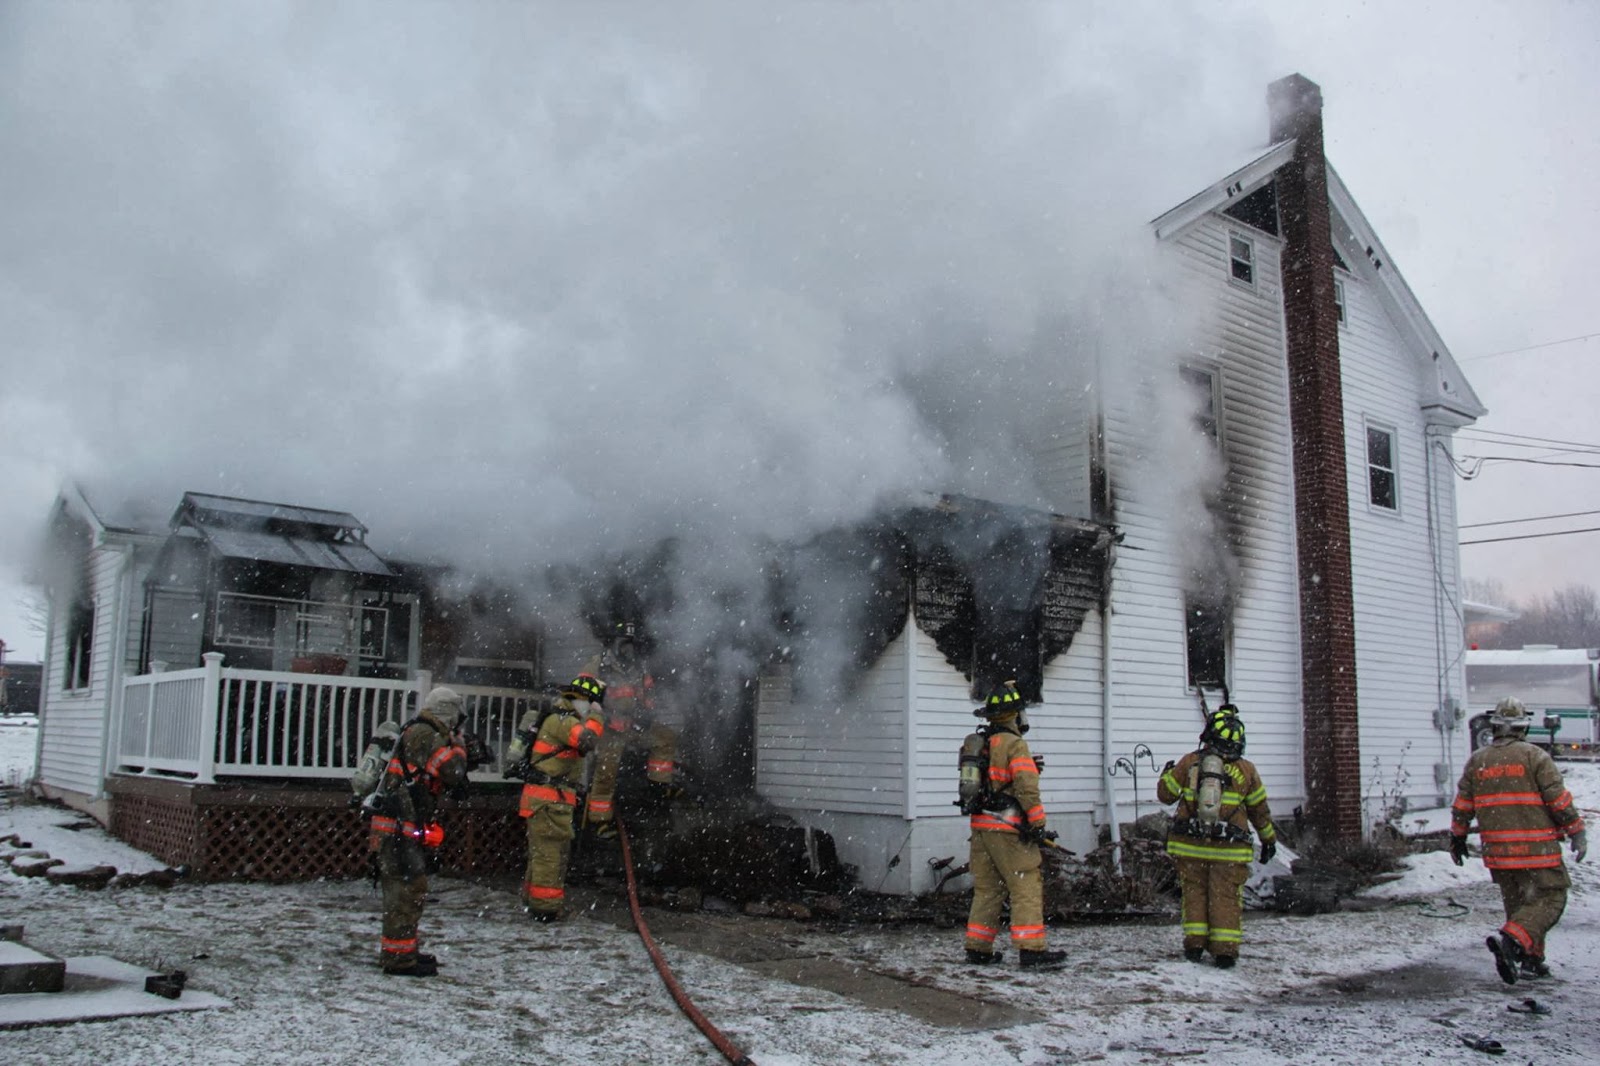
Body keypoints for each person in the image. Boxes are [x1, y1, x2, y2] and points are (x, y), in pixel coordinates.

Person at [1450, 696, 1588, 983]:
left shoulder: (1478, 761)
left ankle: (1530, 962)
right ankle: (1513, 942)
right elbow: (1558, 800)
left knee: (1520, 909)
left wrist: (1458, 837)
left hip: (1499, 854)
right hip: (1537, 850)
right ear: (1524, 726)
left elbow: (1463, 805)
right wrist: (1576, 830)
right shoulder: (1535, 757)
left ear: (1496, 726)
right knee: (1550, 899)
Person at [1155, 705, 1277, 969]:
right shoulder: (1246, 770)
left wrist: (1166, 773)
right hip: (1230, 850)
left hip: (1191, 846)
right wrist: (1268, 840)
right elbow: (1259, 811)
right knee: (1225, 897)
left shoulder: (1190, 762)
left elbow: (1166, 794)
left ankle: (1195, 946)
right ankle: (1224, 951)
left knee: (1194, 894)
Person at [961, 680, 1067, 971]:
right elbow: (1026, 789)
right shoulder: (1015, 744)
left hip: (981, 826)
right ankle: (1031, 951)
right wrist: (1038, 824)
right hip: (1007, 828)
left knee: (987, 889)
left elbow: (993, 780)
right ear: (1015, 715)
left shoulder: (982, 743)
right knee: (1025, 885)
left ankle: (978, 948)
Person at [367, 686, 473, 977]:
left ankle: (404, 951)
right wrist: (460, 746)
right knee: (405, 892)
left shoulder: (417, 731)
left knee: (410, 890)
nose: (456, 723)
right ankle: (399, 960)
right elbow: (452, 770)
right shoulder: (425, 735)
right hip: (398, 828)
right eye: (455, 717)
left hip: (402, 825)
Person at [504, 673, 606, 920]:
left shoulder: (558, 718)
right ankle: (545, 909)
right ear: (583, 701)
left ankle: (534, 901)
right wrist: (597, 714)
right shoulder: (564, 722)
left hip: (545, 800)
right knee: (551, 855)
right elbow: (588, 741)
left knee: (542, 853)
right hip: (549, 801)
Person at [582, 622, 683, 837]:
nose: (629, 649)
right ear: (615, 644)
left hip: (634, 726)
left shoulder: (640, 667)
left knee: (666, 738)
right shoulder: (600, 665)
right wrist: (601, 714)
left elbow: (648, 695)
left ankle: (658, 785)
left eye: (632, 644)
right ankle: (599, 821)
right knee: (606, 774)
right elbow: (583, 696)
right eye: (624, 643)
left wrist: (647, 714)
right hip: (610, 728)